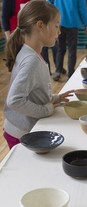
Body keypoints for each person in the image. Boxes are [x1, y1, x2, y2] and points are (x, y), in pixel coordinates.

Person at [3, 0, 74, 149]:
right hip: (21, 135)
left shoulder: (30, 53)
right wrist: (46, 109)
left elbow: (32, 92)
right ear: (40, 26)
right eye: (56, 25)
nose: (59, 31)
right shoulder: (31, 61)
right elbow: (14, 100)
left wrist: (55, 98)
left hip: (20, 131)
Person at [48, 0, 87, 81]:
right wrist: (86, 24)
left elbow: (49, 2)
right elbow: (82, 9)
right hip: (73, 22)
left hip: (59, 21)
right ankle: (70, 74)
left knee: (60, 48)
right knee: (72, 50)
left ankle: (58, 71)